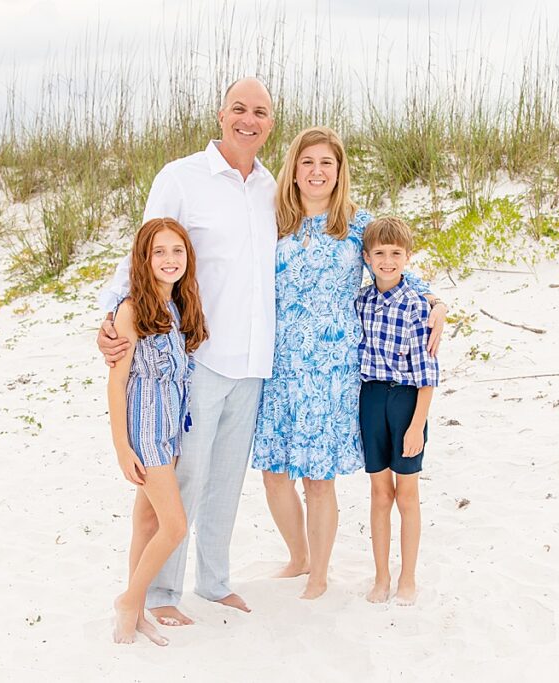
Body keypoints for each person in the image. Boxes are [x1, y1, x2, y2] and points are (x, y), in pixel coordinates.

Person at [97, 77, 277, 626]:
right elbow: (144, 249)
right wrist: (111, 316)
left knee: (227, 479)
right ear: (221, 114)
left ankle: (215, 581)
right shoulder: (181, 177)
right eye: (239, 109)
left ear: (271, 123)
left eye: (261, 112)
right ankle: (159, 593)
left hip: (255, 361)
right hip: (199, 357)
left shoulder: (273, 186)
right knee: (185, 480)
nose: (249, 119)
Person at [252, 126, 447, 599]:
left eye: (327, 163)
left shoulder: (357, 226)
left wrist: (434, 299)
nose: (317, 171)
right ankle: (297, 556)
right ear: (294, 170)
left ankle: (319, 572)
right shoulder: (271, 221)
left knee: (318, 476)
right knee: (274, 470)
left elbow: (396, 267)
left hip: (333, 366)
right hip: (278, 363)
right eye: (308, 162)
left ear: (340, 172)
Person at [108, 218, 208, 645]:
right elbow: (117, 381)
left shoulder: (176, 307)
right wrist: (121, 447)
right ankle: (129, 600)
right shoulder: (131, 310)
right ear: (144, 259)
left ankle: (134, 615)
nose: (170, 260)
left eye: (177, 251)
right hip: (145, 433)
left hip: (170, 430)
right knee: (174, 526)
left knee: (147, 520)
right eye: (159, 252)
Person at [356, 216, 439, 606]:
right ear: (367, 257)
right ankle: (381, 576)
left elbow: (428, 376)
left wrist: (416, 426)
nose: (387, 261)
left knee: (407, 493)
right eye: (379, 254)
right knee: (378, 493)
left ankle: (408, 576)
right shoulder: (361, 302)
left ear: (408, 257)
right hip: (371, 398)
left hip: (407, 401)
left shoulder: (418, 306)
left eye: (395, 254)